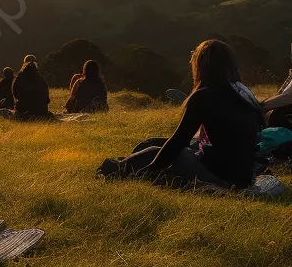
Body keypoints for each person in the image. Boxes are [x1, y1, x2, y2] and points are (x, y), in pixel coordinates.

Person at [99, 40, 263, 189]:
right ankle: (122, 166)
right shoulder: (244, 93)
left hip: (222, 177)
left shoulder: (204, 96)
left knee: (162, 151)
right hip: (242, 175)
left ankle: (117, 169)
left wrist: (146, 172)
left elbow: (180, 141)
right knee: (152, 143)